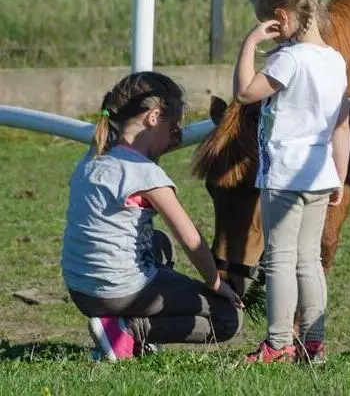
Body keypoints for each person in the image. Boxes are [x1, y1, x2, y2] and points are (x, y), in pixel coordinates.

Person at [60, 71, 244, 361]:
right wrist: (215, 283)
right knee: (227, 317)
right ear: (154, 117)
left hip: (82, 289)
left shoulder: (93, 156)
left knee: (158, 241)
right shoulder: (147, 175)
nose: (175, 139)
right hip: (119, 291)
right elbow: (189, 238)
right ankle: (130, 329)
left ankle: (123, 327)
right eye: (173, 129)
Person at [234, 0, 350, 364]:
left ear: (281, 16)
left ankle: (279, 341)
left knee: (280, 258)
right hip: (320, 175)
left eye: (266, 22)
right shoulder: (335, 61)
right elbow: (342, 123)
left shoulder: (289, 60)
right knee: (310, 260)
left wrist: (249, 44)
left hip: (283, 175)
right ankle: (313, 341)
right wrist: (341, 174)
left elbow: (245, 92)